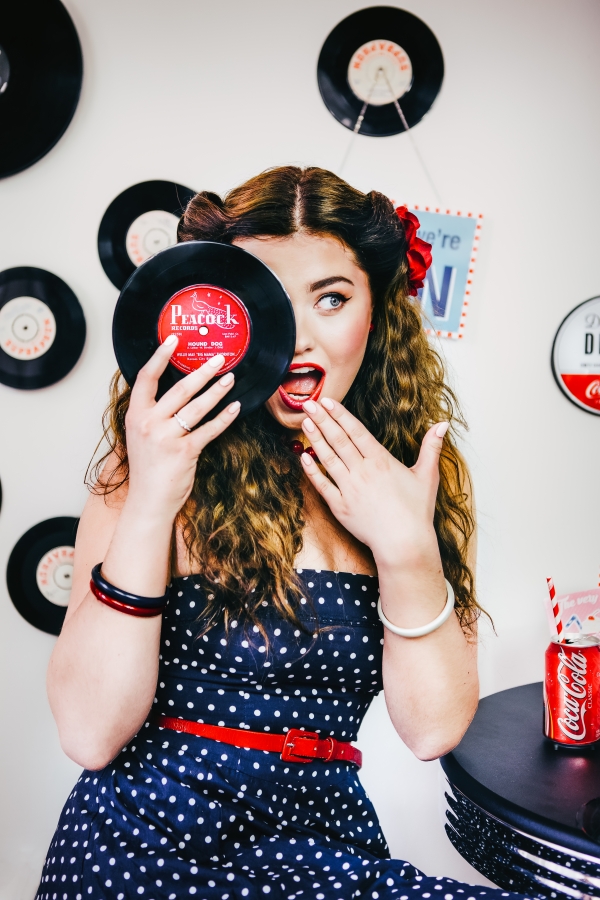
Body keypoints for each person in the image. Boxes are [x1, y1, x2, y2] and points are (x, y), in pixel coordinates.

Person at [37, 167, 521, 900]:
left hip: (323, 844)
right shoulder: (154, 456)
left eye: (331, 298)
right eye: (267, 298)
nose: (297, 338)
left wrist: (407, 550)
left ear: (377, 312)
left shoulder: (421, 475)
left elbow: (433, 731)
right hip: (147, 844)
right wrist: (153, 500)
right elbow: (88, 733)